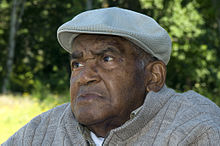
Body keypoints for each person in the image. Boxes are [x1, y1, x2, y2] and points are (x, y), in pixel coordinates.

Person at [3, 7, 220, 146]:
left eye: (107, 59)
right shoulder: (42, 130)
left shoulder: (195, 128)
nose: (84, 77)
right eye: (77, 64)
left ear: (154, 76)